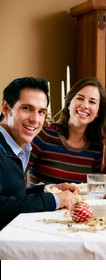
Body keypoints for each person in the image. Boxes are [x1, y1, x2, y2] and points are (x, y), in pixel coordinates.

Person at [0, 77, 79, 230]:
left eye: (41, 111)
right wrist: (53, 200)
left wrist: (48, 189)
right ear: (6, 108)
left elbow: (13, 195)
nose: (35, 119)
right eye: (27, 108)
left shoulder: (17, 147)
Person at [28, 77, 106, 184]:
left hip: (82, 201)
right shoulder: (44, 136)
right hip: (44, 199)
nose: (84, 105)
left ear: (98, 112)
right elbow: (18, 174)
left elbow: (94, 188)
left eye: (92, 102)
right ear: (69, 103)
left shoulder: (96, 147)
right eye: (80, 98)